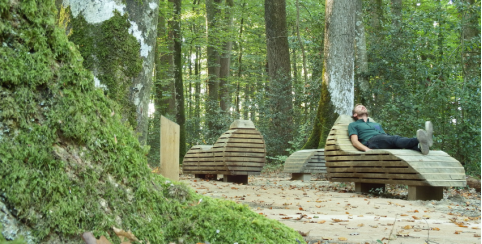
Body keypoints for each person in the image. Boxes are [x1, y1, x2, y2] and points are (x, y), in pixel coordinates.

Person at [348, 104, 433, 155]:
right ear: (355, 114)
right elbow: (355, 142)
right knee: (394, 139)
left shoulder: (375, 124)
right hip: (372, 142)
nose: (362, 106)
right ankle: (421, 139)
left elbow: (385, 138)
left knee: (397, 142)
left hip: (383, 139)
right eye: (359, 107)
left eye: (363, 106)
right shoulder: (353, 125)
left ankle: (420, 148)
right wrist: (366, 149)